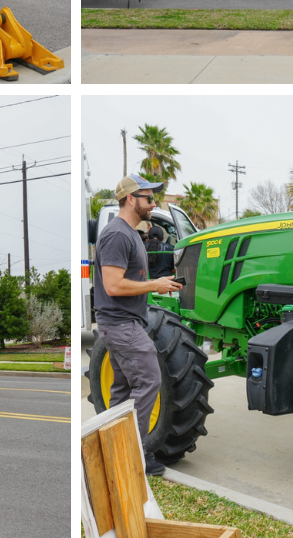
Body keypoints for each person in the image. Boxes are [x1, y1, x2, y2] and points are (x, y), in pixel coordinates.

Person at [92, 175, 183, 475]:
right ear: (131, 199)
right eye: (149, 198)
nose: (154, 203)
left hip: (123, 323)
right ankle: (133, 455)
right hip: (121, 325)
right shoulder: (117, 234)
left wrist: (157, 285)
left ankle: (111, 451)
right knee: (148, 381)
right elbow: (114, 285)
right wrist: (153, 285)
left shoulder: (130, 233)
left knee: (121, 392)